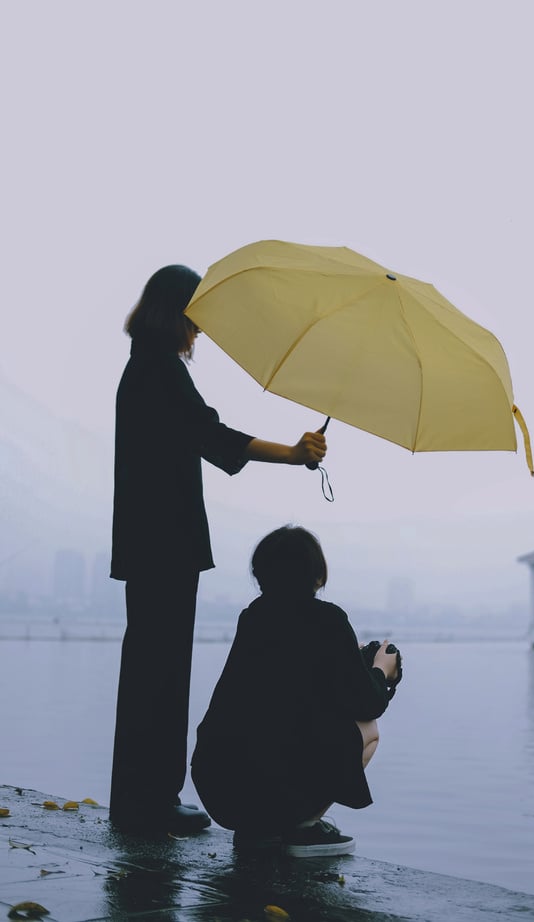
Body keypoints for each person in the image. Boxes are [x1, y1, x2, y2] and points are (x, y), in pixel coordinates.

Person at [109, 265, 327, 836]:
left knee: (148, 671)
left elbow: (201, 435)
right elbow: (212, 436)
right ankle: (151, 802)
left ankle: (140, 799)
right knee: (161, 672)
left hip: (150, 544)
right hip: (165, 546)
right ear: (177, 313)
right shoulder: (159, 371)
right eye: (197, 321)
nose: (199, 334)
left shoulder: (143, 369)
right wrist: (295, 454)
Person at [191, 525, 401, 857]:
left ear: (260, 576)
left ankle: (257, 830)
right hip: (276, 789)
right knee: (369, 732)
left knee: (280, 740)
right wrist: (380, 670)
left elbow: (283, 685)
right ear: (318, 576)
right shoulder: (329, 620)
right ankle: (301, 828)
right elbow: (367, 703)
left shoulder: (253, 617)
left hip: (217, 785)